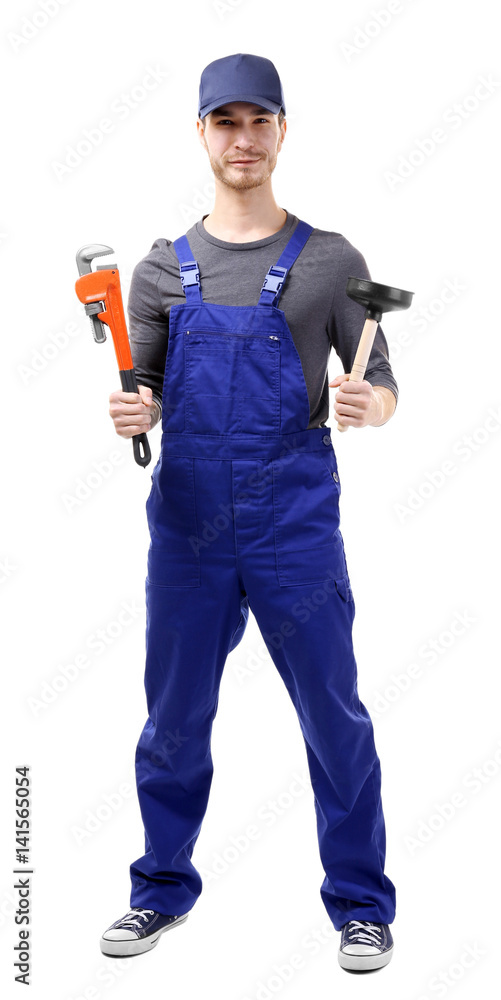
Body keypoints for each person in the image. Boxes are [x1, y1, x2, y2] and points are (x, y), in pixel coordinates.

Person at [100, 53, 398, 974]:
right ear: (201, 133)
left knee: (332, 715)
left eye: (257, 119)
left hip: (294, 524)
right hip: (187, 525)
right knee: (173, 719)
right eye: (223, 121)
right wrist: (132, 410)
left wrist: (366, 406)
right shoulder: (158, 270)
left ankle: (360, 906)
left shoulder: (331, 261)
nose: (242, 137)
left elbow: (381, 384)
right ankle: (159, 891)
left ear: (280, 130)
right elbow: (140, 387)